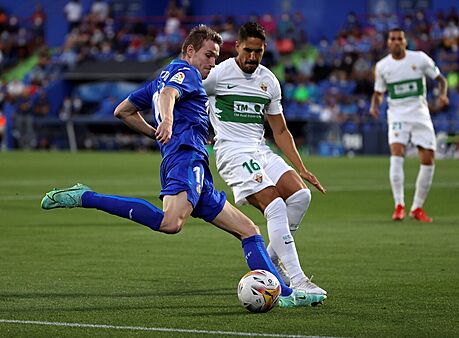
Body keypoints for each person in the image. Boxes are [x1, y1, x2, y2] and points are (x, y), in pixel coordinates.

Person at [41, 25, 326, 308]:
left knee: (249, 230)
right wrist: (166, 122)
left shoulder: (160, 77)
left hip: (192, 160)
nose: (213, 63)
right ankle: (86, 197)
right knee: (171, 223)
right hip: (186, 159)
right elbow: (168, 95)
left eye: (216, 57)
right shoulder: (186, 72)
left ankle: (285, 294)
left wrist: (158, 132)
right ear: (190, 51)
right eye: (209, 55)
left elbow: (122, 111)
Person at [203, 22, 327, 295]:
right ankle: (297, 281)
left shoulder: (268, 81)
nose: (252, 57)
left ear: (264, 50)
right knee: (275, 207)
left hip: (260, 149)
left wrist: (301, 167)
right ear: (236, 47)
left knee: (300, 197)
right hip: (233, 152)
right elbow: (188, 96)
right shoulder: (217, 76)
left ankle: (270, 261)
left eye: (257, 52)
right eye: (247, 50)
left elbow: (280, 130)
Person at [369, 28, 449, 222]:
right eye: (393, 39)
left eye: (400, 39)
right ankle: (399, 205)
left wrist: (443, 95)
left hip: (420, 113)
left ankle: (417, 208)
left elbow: (441, 80)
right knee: (397, 153)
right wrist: (374, 106)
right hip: (397, 114)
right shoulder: (382, 66)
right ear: (388, 43)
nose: (396, 42)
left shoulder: (420, 59)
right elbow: (379, 92)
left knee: (428, 158)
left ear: (405, 42)